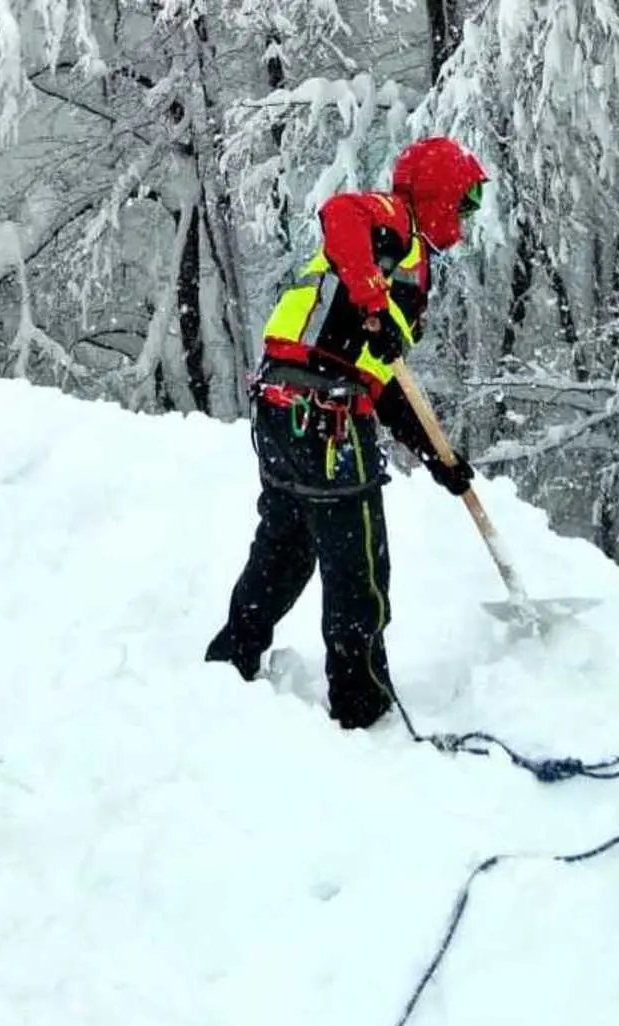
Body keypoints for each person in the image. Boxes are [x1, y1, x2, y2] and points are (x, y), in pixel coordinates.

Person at [205, 136, 487, 729]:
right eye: (464, 202)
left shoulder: (407, 269)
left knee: (285, 550)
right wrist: (371, 302)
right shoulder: (394, 223)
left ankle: (227, 667)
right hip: (325, 419)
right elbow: (340, 212)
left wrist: (438, 457)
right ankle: (363, 708)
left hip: (287, 410)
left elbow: (380, 382)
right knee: (358, 566)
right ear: (436, 196)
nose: (466, 217)